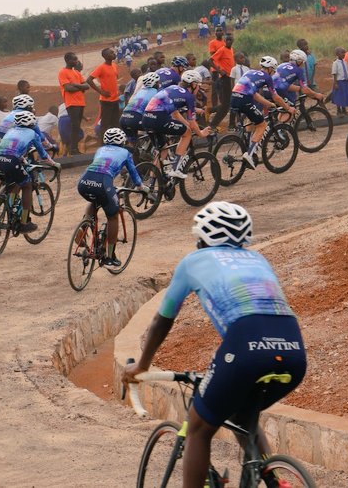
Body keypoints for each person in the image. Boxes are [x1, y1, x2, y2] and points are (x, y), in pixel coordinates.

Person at [121, 202, 306, 488]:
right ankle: (273, 480)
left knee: (197, 429)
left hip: (246, 344)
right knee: (243, 415)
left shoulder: (193, 262)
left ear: (202, 237)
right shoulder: (258, 259)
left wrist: (143, 364)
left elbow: (163, 319)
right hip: (293, 346)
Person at [76, 128, 143, 266]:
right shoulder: (125, 152)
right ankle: (110, 257)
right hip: (103, 183)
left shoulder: (100, 150)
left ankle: (83, 227)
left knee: (94, 200)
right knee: (112, 216)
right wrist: (143, 188)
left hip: (83, 182)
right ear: (122, 141)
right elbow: (134, 174)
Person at [0, 112, 57, 233]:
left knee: (10, 183)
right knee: (27, 185)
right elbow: (43, 156)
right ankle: (24, 223)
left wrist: (21, 159)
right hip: (11, 162)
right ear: (32, 124)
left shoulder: (10, 131)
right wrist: (55, 165)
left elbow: (8, 149)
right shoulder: (33, 134)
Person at [141, 69, 210, 179]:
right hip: (159, 119)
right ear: (193, 84)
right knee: (187, 133)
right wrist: (200, 133)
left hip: (146, 119)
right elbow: (192, 122)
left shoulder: (172, 88)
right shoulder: (189, 96)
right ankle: (175, 168)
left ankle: (151, 184)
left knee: (163, 150)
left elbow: (175, 114)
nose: (199, 88)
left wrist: (186, 125)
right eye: (198, 85)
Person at [230, 57, 289, 169]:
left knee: (252, 120)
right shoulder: (267, 77)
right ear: (270, 69)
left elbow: (255, 95)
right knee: (262, 125)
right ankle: (249, 153)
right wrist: (287, 108)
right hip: (244, 100)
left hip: (234, 98)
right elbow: (275, 97)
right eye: (274, 71)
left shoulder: (250, 72)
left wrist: (269, 104)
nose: (273, 73)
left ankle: (247, 143)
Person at [58, 52, 90, 155]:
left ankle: (74, 149)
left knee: (77, 126)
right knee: (75, 125)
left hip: (80, 102)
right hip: (71, 103)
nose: (76, 61)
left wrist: (75, 85)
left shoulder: (76, 73)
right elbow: (68, 88)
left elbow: (86, 86)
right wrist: (80, 86)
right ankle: (73, 149)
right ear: (68, 60)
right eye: (74, 59)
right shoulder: (63, 72)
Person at [87, 48, 121, 139]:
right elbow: (89, 80)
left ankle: (116, 141)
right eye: (111, 53)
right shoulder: (101, 67)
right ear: (105, 56)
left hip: (115, 99)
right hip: (106, 100)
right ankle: (103, 144)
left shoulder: (114, 65)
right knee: (105, 124)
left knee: (116, 123)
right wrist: (100, 91)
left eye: (113, 52)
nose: (114, 54)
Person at [209, 36, 237, 132]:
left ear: (232, 41)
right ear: (224, 41)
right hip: (225, 79)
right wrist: (219, 71)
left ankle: (231, 124)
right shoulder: (222, 50)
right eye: (227, 40)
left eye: (230, 40)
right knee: (226, 105)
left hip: (231, 79)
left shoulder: (231, 49)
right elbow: (211, 60)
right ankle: (213, 125)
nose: (229, 41)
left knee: (231, 102)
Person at [330, 47, 348, 115]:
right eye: (342, 52)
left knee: (344, 96)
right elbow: (334, 73)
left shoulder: (345, 62)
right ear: (337, 54)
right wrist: (335, 83)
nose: (344, 54)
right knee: (339, 96)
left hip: (345, 81)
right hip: (339, 82)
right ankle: (338, 110)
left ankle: (344, 110)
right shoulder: (335, 63)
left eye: (344, 52)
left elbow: (347, 71)